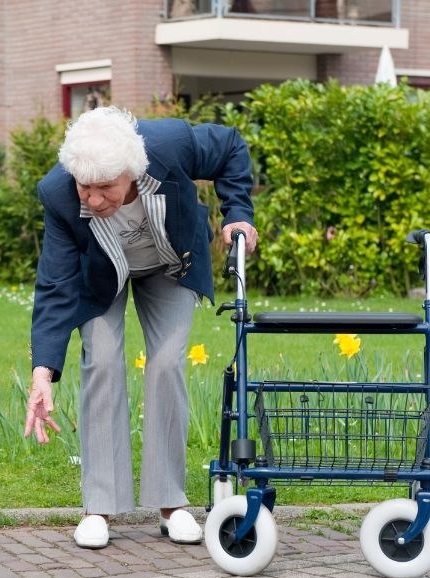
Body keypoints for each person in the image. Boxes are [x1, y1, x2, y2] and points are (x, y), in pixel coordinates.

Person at [23, 105, 258, 549]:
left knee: (168, 362)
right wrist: (43, 373)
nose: (92, 200)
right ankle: (99, 508)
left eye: (105, 188)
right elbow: (55, 283)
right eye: (84, 188)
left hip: (169, 265)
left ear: (131, 172)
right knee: (104, 359)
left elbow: (230, 147)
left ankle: (171, 505)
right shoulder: (57, 192)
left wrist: (237, 213)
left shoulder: (170, 146)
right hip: (102, 275)